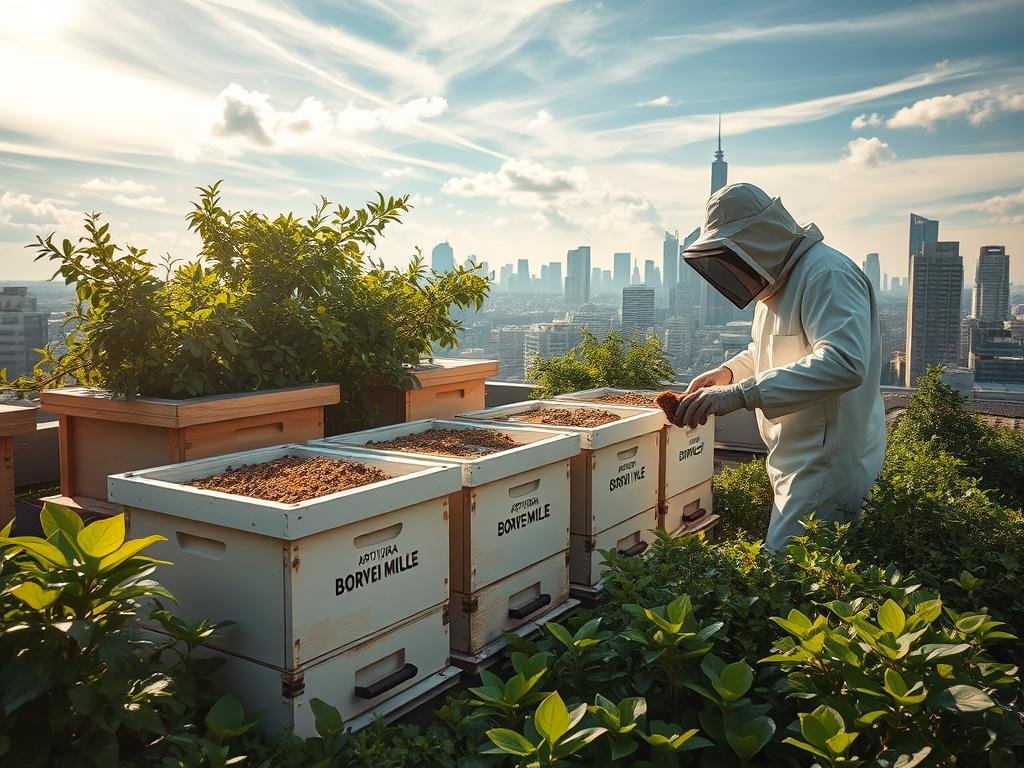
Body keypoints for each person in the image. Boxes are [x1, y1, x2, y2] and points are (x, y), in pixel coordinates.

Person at [674, 183, 885, 550]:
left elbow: (845, 362)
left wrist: (740, 394)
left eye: (733, 255)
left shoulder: (826, 274)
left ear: (759, 239)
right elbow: (767, 349)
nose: (734, 269)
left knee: (786, 582)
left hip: (826, 464)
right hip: (797, 460)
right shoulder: (777, 284)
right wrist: (727, 374)